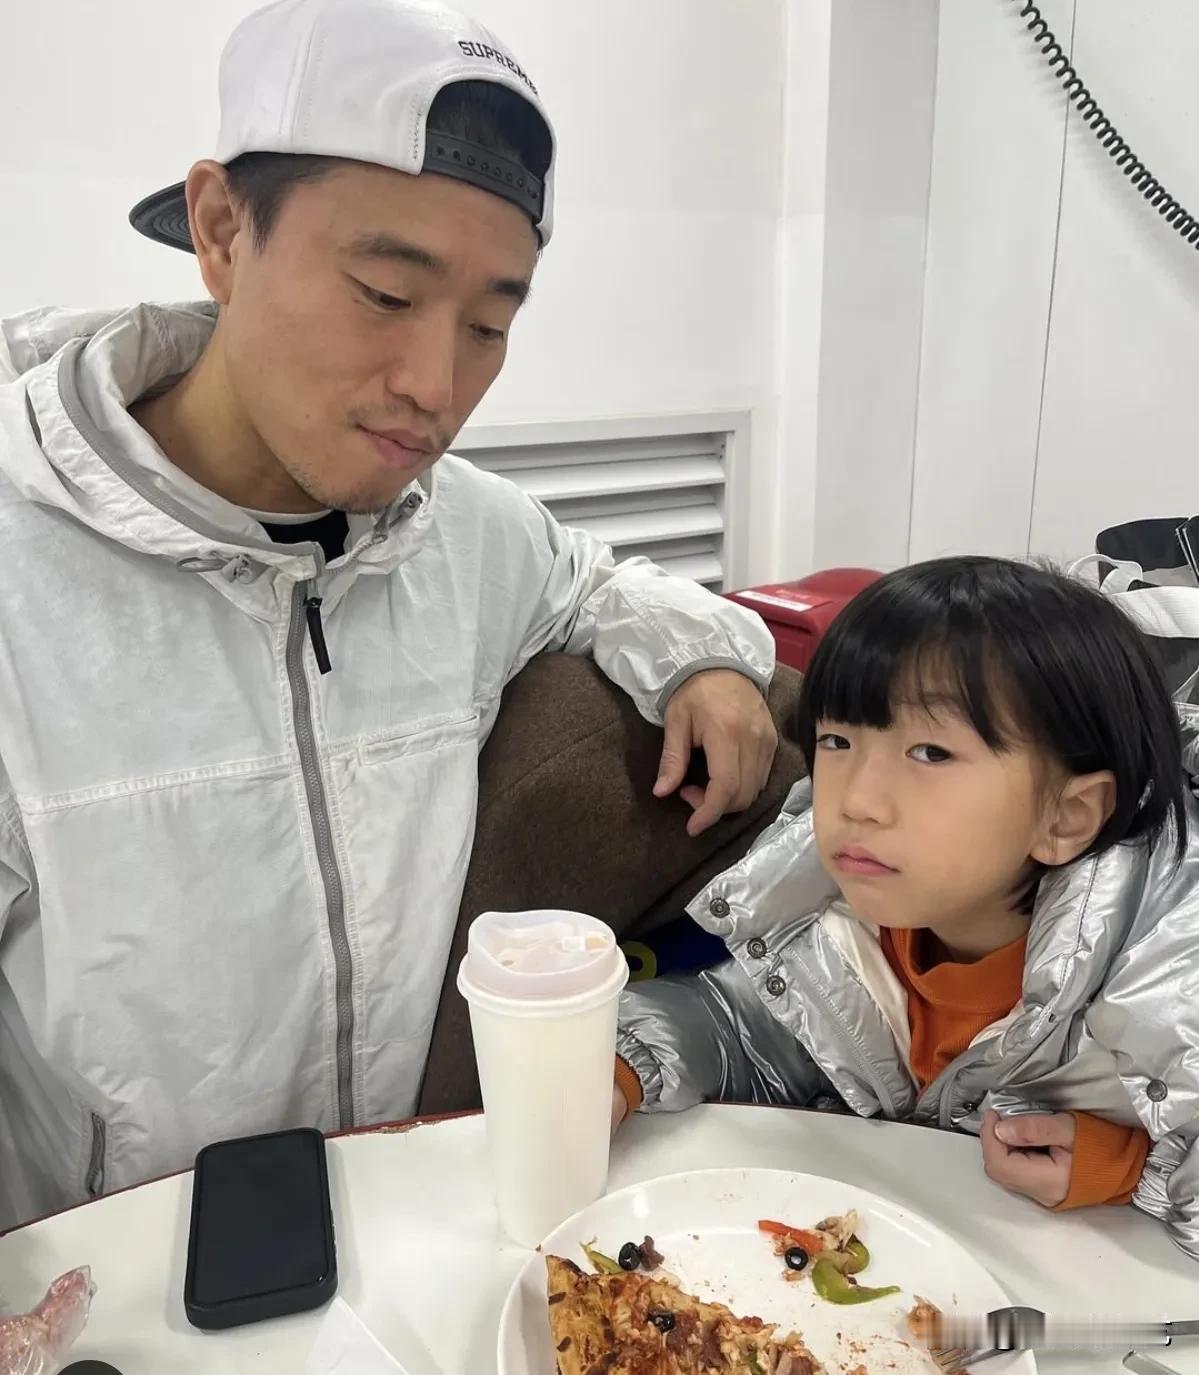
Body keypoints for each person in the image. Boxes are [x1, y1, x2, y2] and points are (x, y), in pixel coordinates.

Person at [0, 0, 779, 1230]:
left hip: (402, 1222)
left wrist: (704, 663)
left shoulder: (460, 530)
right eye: (382, 293)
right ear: (220, 229)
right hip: (112, 1268)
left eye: (489, 326)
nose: (435, 385)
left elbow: (601, 583)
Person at [614, 556, 1199, 1258]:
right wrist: (619, 1062)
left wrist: (1131, 1170)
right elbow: (747, 1028)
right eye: (836, 740)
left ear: (1065, 817)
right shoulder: (851, 916)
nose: (856, 799)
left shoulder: (1169, 982)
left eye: (929, 752)